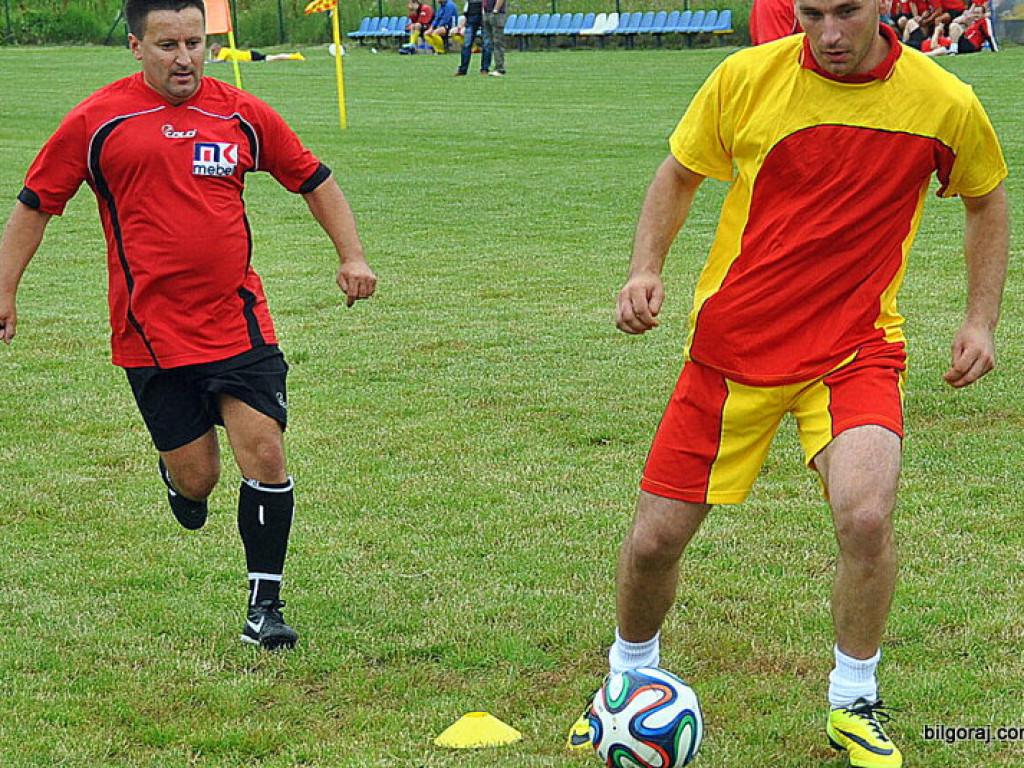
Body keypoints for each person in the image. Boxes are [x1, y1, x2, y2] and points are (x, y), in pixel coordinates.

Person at [566, 0, 1008, 765]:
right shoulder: (745, 78)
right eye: (812, 13)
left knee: (866, 518)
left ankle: (854, 702)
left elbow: (986, 199)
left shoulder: (944, 101)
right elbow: (678, 173)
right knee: (653, 541)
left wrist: (981, 318)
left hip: (854, 348)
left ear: (883, 6)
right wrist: (644, 269)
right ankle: (626, 681)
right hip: (733, 350)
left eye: (848, 12)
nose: (830, 34)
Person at [0, 0, 377, 651]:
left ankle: (266, 609)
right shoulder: (97, 122)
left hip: (239, 326)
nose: (184, 58)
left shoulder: (240, 113)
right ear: (136, 47)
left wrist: (352, 255)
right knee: (198, 477)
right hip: (151, 336)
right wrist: (5, 289)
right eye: (168, 44)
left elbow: (314, 179)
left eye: (195, 43)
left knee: (265, 451)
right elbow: (37, 205)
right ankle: (179, 478)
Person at [453, 0, 489, 75]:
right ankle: (463, 70)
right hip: (471, 14)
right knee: (467, 44)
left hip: (485, 13)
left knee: (486, 43)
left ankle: (485, 68)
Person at [209, 42, 305, 62]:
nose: (213, 53)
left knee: (272, 58)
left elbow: (219, 61)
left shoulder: (223, 51)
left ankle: (295, 56)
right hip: (250, 55)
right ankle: (294, 56)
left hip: (250, 56)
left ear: (218, 48)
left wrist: (208, 61)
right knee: (271, 58)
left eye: (213, 51)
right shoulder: (223, 51)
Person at [481, 0, 506, 76]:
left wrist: (495, 10)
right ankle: (492, 67)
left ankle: (500, 68)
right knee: (490, 42)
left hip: (496, 14)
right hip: (487, 13)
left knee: (497, 42)